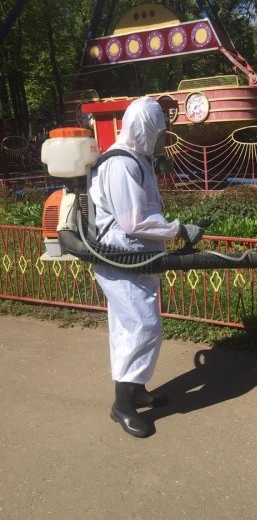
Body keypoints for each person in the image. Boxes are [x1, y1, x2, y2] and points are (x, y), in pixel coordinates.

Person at [89, 97, 204, 438]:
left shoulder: (138, 160)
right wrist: (178, 230)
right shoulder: (121, 164)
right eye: (156, 133)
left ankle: (136, 390)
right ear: (142, 129)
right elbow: (133, 221)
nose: (158, 140)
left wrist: (171, 230)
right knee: (143, 327)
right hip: (121, 259)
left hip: (137, 259)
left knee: (129, 327)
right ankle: (122, 406)